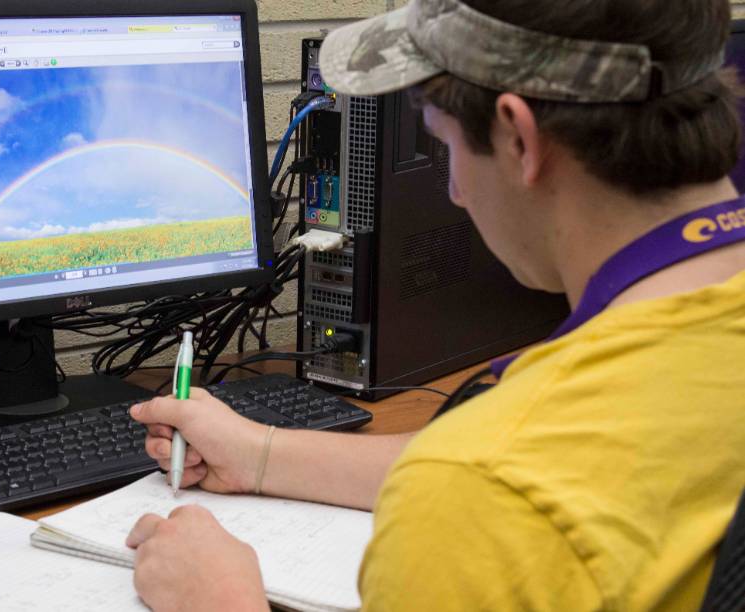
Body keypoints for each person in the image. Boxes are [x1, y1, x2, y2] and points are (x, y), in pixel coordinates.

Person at [124, 0, 745, 609]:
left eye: (443, 144)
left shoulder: (480, 488)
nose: (452, 190)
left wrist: (223, 601)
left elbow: (490, 479)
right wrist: (260, 455)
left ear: (518, 138)